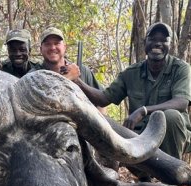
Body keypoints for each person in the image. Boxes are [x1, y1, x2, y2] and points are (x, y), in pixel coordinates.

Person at [78, 22, 191, 161]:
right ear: (145, 43)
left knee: (171, 116)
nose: (158, 44)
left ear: (171, 45)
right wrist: (78, 82)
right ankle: (142, 175)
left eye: (163, 40)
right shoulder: (131, 73)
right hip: (139, 139)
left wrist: (143, 110)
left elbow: (181, 102)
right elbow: (103, 99)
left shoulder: (180, 69)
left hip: (172, 138)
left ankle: (173, 173)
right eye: (153, 39)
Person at [31, 27, 105, 113]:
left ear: (64, 47)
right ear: (41, 49)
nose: (52, 47)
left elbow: (102, 101)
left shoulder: (82, 70)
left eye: (57, 43)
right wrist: (68, 78)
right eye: (47, 44)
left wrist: (97, 122)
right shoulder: (34, 75)